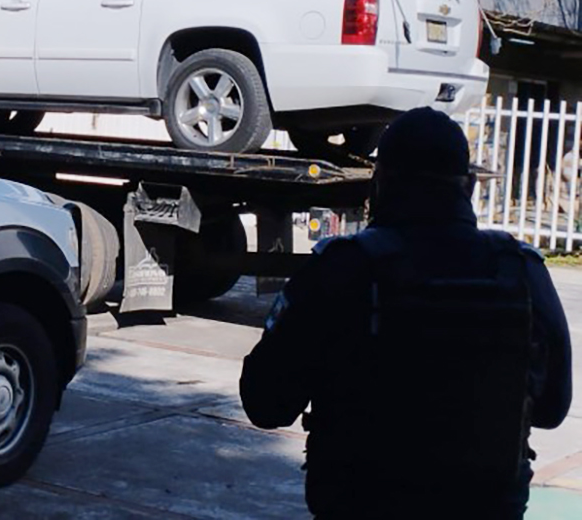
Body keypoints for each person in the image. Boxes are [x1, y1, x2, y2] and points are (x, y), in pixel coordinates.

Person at [239, 107, 572, 520]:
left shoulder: (342, 267)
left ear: (380, 184)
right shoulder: (521, 270)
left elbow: (265, 403)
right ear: (469, 186)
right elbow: (553, 408)